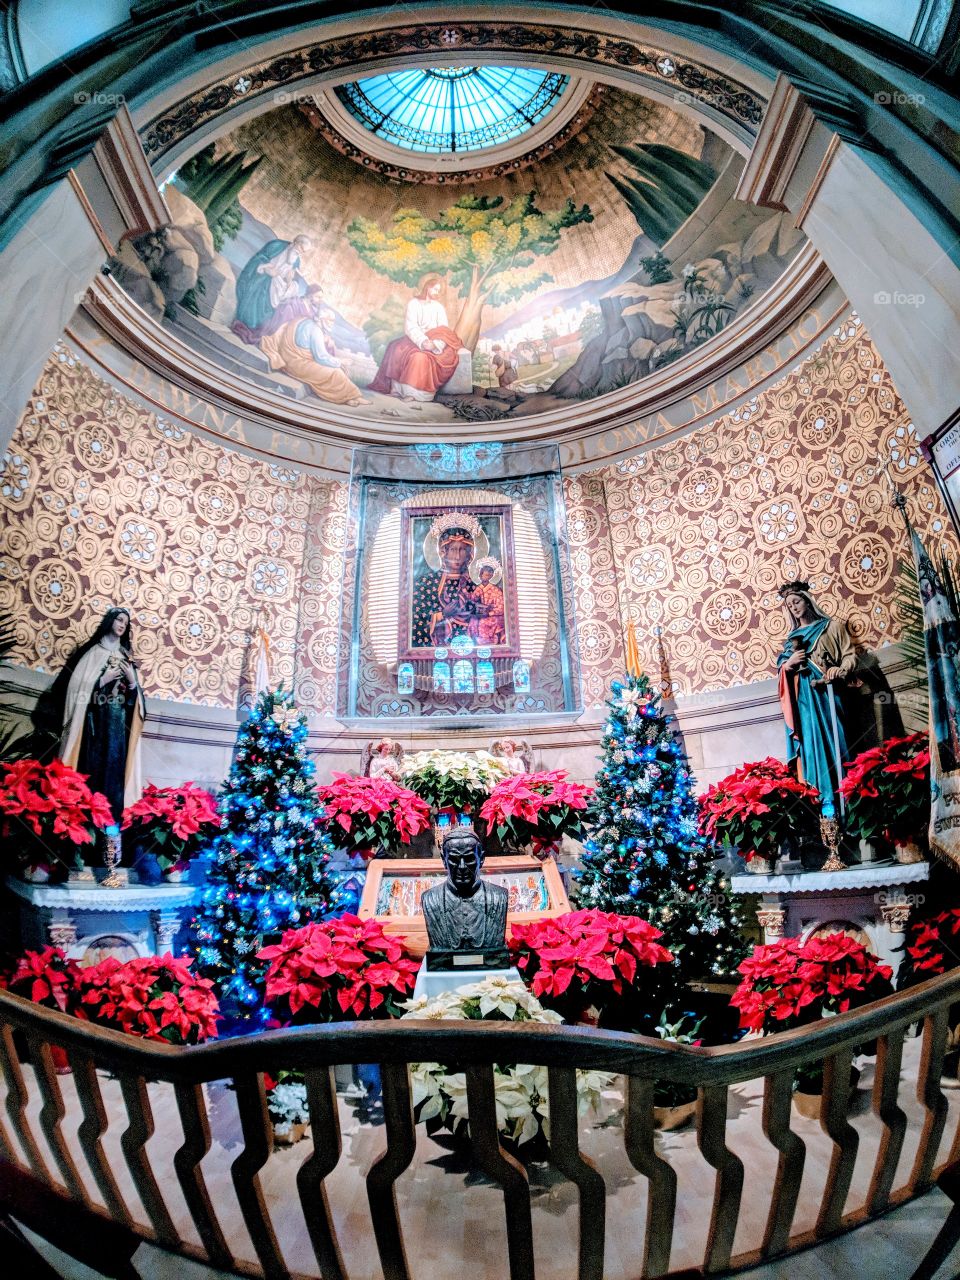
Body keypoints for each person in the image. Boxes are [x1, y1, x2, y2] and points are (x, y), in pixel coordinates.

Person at [33, 608, 145, 828]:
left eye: (126, 622)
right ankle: (85, 826)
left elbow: (137, 703)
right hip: (93, 727)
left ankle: (108, 830)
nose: (122, 624)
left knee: (113, 778)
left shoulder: (125, 656)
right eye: (119, 619)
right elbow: (75, 690)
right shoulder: (92, 653)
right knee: (91, 771)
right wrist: (102, 680)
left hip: (117, 727)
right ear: (109, 621)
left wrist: (132, 682)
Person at [776, 581, 855, 814]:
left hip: (829, 696)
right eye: (789, 606)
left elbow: (850, 656)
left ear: (808, 600)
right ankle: (825, 806)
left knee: (838, 745)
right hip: (805, 703)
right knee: (811, 749)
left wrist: (839, 670)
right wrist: (789, 665)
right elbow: (783, 670)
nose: (794, 608)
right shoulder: (791, 640)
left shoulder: (832, 628)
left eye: (797, 602)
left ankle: (846, 803)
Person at [259, 291, 370, 407]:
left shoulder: (305, 321)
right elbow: (321, 357)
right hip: (297, 363)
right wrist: (341, 361)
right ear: (322, 319)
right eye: (330, 321)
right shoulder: (316, 331)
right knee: (336, 372)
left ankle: (349, 397)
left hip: (289, 356)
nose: (332, 324)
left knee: (335, 368)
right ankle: (347, 397)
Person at [368, 275, 462, 402]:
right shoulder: (414, 303)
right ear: (427, 287)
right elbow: (410, 326)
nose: (437, 293)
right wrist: (422, 341)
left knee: (420, 357)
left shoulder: (439, 307)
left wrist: (434, 344)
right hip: (417, 339)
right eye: (435, 289)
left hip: (435, 342)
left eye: (439, 291)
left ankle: (413, 393)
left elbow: (444, 330)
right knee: (395, 349)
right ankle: (396, 390)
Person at [421, 827, 508, 952]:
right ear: (444, 860)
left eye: (469, 859)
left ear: (481, 859)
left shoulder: (498, 897)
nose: (462, 867)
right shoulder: (430, 899)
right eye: (454, 859)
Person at [411, 512, 481, 649]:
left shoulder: (474, 587)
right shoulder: (426, 583)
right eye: (453, 549)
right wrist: (442, 615)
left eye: (462, 550)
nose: (456, 556)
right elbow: (416, 620)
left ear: (469, 554)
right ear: (443, 552)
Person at [232, 235, 313, 344]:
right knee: (255, 301)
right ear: (295, 243)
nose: (300, 253)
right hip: (261, 280)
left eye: (304, 252)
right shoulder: (276, 246)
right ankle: (244, 327)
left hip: (277, 289)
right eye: (300, 249)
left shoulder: (296, 261)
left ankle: (255, 333)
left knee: (275, 312)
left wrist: (289, 281)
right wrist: (266, 269)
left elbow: (294, 281)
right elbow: (258, 259)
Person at [468, 556, 506, 646]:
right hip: (481, 614)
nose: (485, 576)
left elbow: (501, 608)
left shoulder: (496, 590)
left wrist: (489, 613)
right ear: (480, 575)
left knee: (483, 623)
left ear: (492, 576)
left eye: (489, 574)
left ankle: (486, 646)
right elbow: (473, 599)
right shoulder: (479, 588)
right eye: (484, 573)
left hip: (494, 616)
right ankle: (474, 645)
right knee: (473, 621)